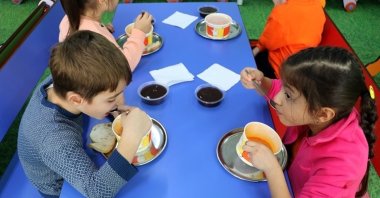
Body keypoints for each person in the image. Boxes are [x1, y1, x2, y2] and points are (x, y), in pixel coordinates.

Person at [18, 31, 152, 198]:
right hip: (59, 187)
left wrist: (113, 107)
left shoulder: (68, 80)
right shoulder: (53, 139)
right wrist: (131, 138)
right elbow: (97, 192)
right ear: (76, 99)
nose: (119, 101)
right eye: (111, 98)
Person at [240, 46, 377, 197]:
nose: (277, 99)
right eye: (285, 89)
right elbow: (278, 88)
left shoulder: (341, 165)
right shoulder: (323, 108)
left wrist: (272, 168)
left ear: (323, 114)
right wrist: (260, 81)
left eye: (288, 96)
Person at [59, 0, 153, 72]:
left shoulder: (68, 18)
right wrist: (139, 32)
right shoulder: (94, 36)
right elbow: (124, 66)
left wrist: (101, 26)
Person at [252, 0, 325, 78]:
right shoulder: (318, 7)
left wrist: (256, 49)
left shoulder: (282, 12)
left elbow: (268, 43)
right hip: (302, 70)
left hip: (279, 70)